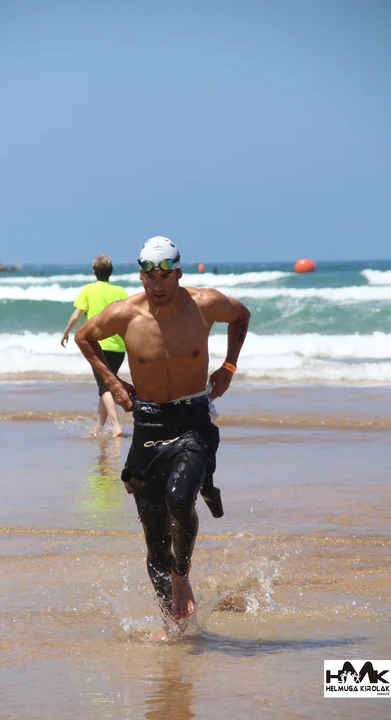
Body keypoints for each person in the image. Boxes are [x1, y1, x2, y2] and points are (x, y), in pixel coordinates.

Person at [74, 236, 250, 627]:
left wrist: (228, 367)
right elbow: (84, 337)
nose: (158, 285)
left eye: (165, 276)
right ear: (141, 276)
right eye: (150, 277)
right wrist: (112, 381)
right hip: (149, 423)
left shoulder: (205, 304)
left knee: (179, 498)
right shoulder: (124, 314)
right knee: (155, 544)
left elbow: (242, 315)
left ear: (178, 273)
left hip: (193, 420)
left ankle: (181, 573)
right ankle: (175, 628)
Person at [61, 254, 128, 437]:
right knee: (106, 385)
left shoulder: (88, 290)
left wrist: (66, 332)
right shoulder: (121, 291)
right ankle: (98, 428)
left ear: (94, 272)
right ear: (111, 272)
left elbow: (76, 315)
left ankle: (116, 428)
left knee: (105, 386)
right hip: (118, 347)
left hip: (96, 346)